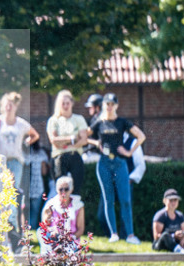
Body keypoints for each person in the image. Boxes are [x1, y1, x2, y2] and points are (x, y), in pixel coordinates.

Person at [88, 93, 146, 244]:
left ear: (116, 106)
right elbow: (84, 136)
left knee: (125, 200)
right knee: (109, 199)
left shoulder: (122, 122)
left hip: (120, 163)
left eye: (112, 104)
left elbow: (141, 136)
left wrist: (129, 152)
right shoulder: (99, 122)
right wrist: (96, 144)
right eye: (107, 104)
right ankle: (114, 233)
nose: (109, 106)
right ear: (104, 106)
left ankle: (131, 235)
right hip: (104, 163)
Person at [0, 92, 40, 189]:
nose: (8, 108)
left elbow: (35, 135)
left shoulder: (21, 123)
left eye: (11, 105)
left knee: (13, 189)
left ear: (15, 106)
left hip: (15, 161)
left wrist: (27, 142)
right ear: (3, 107)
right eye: (6, 105)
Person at [46, 90, 89, 196]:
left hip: (75, 157)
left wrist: (65, 143)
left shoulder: (79, 119)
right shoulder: (53, 120)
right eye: (63, 103)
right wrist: (72, 138)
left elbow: (84, 139)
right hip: (59, 158)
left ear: (72, 103)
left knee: (76, 191)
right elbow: (54, 141)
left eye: (67, 103)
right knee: (62, 192)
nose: (65, 106)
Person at [38, 175, 85, 253]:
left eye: (66, 189)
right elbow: (44, 226)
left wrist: (70, 238)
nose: (63, 192)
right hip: (54, 238)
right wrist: (53, 231)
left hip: (71, 239)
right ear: (56, 190)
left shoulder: (78, 205)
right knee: (40, 232)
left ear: (71, 189)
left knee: (68, 252)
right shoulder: (51, 204)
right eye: (60, 189)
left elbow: (80, 229)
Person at [23, 139, 50, 230]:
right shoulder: (41, 154)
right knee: (35, 213)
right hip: (38, 187)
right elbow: (44, 172)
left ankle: (25, 231)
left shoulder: (24, 152)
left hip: (25, 187)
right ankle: (32, 231)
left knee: (24, 211)